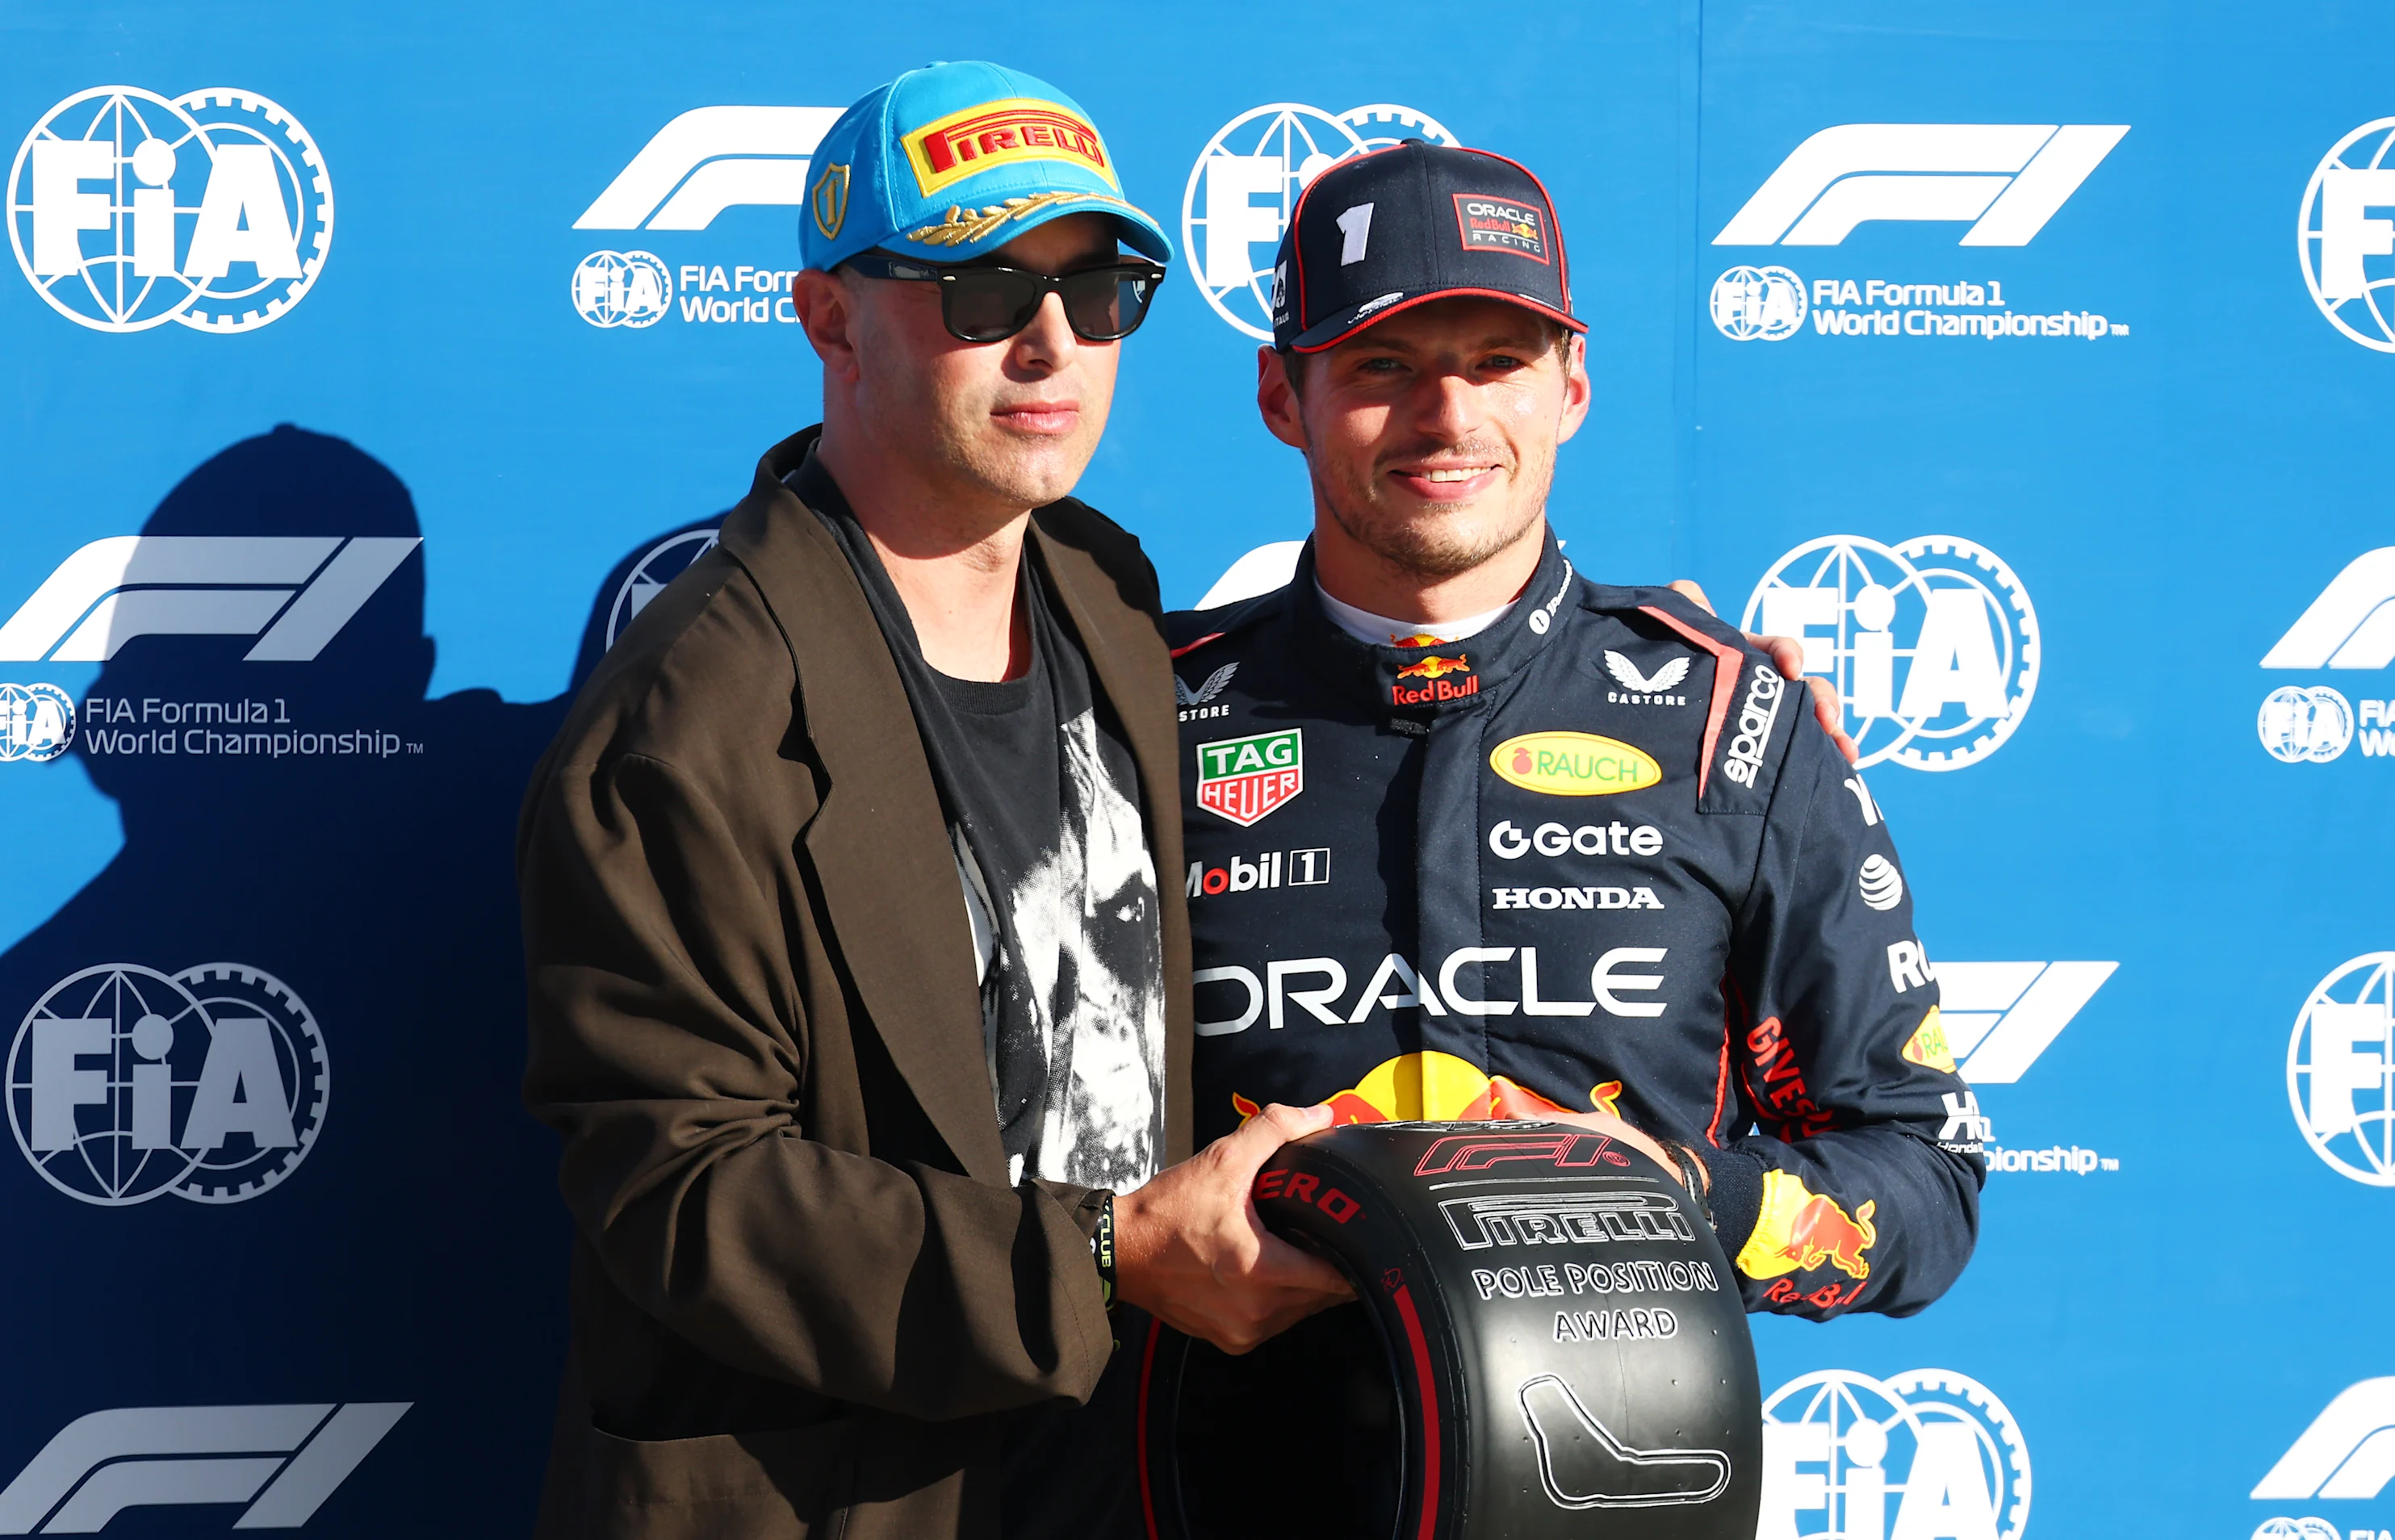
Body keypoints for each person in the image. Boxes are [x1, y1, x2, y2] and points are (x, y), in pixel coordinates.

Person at [517, 63, 1348, 1540]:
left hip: (1129, 1480)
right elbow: (682, 1192)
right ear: (830, 317)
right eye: (979, 291)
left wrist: (1662, 686)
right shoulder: (692, 718)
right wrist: (1100, 1260)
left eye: (1097, 291)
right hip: (847, 1499)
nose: (1051, 345)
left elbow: (1341, 704)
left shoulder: (1107, 593)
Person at [1163, 142, 1985, 1324]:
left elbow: (1923, 1177)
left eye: (1500, 364)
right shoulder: (1142, 711)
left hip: (1627, 1480)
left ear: (1573, 386)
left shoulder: (1732, 718)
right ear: (1281, 396)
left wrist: (1687, 1202)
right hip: (1211, 1476)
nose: (1448, 418)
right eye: (1382, 365)